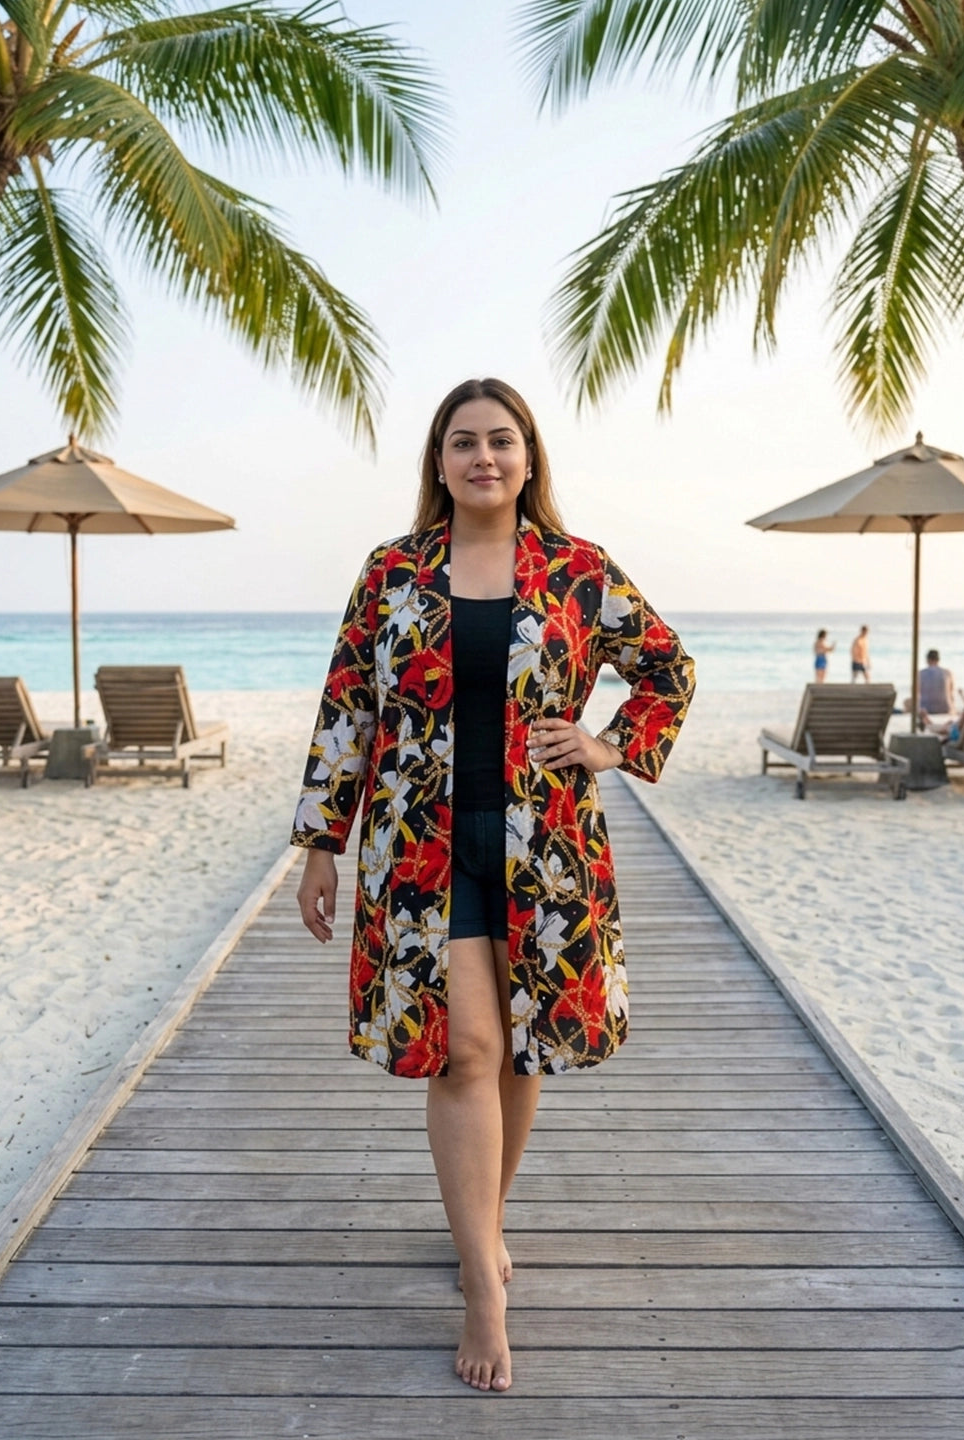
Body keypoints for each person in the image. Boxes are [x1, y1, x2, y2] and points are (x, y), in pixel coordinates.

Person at [292, 377, 695, 1394]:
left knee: (523, 1047)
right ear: (439, 461)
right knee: (465, 1047)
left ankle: (485, 1220)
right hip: (417, 848)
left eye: (501, 441)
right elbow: (347, 706)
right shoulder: (392, 572)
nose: (483, 457)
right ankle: (482, 1283)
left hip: (545, 845)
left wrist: (608, 746)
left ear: (528, 457)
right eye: (464, 441)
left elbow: (668, 669)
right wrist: (321, 842)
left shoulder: (576, 569)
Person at [915, 649, 957, 725]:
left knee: (907, 702)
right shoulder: (947, 672)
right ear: (938, 660)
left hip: (926, 709)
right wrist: (953, 708)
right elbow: (951, 693)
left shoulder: (920, 673)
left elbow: (916, 692)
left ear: (927, 660)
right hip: (945, 708)